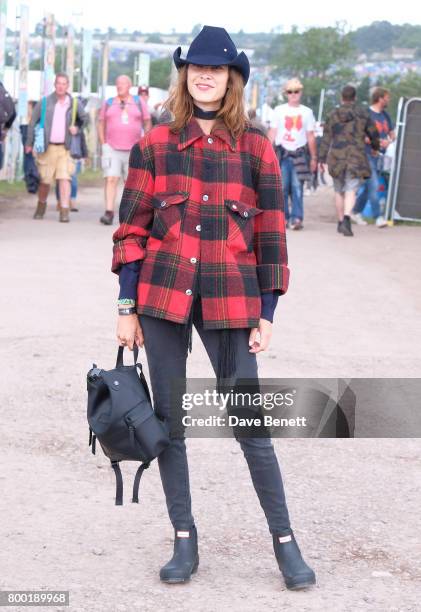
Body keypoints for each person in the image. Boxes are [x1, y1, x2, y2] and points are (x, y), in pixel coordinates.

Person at [111, 25, 316, 590]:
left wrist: (267, 312)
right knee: (171, 423)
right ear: (185, 75)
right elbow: (130, 231)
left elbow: (272, 236)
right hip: (160, 296)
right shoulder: (154, 144)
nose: (205, 76)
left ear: (233, 79)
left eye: (217, 69)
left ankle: (285, 542)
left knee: (250, 422)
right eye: (197, 67)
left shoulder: (256, 147)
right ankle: (184, 539)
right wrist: (126, 305)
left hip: (232, 298)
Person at [26, 73, 88, 223]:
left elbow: (85, 119)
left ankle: (64, 210)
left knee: (65, 178)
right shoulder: (45, 102)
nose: (61, 86)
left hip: (65, 149)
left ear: (67, 86)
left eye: (64, 84)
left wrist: (77, 128)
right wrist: (29, 143)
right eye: (58, 83)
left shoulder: (73, 103)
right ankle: (41, 205)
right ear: (55, 85)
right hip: (47, 147)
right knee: (45, 181)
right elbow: (33, 121)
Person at [318, 85, 380, 237]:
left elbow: (326, 138)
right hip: (355, 157)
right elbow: (374, 133)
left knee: (339, 190)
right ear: (355, 97)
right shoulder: (363, 114)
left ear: (342, 97)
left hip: (336, 157)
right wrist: (375, 147)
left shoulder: (333, 114)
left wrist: (321, 158)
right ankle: (346, 218)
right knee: (351, 190)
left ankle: (340, 222)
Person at [98, 75, 152, 225]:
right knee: (111, 178)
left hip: (133, 149)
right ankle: (109, 212)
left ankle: (130, 213)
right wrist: (103, 143)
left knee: (131, 182)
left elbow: (147, 122)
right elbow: (101, 123)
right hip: (112, 147)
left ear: (129, 86)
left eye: (122, 83)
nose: (119, 86)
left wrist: (145, 141)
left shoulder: (138, 102)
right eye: (117, 83)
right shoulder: (109, 103)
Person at [268, 79, 317, 230]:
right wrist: (266, 152)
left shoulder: (307, 112)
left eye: (296, 91)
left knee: (297, 187)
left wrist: (314, 157)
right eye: (290, 92)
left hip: (299, 153)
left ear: (300, 93)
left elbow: (310, 136)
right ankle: (283, 218)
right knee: (281, 187)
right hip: (282, 153)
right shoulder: (279, 110)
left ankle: (297, 218)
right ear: (286, 94)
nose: (293, 94)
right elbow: (272, 132)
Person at [351, 87, 395, 228]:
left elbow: (392, 133)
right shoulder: (367, 113)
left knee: (368, 185)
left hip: (379, 156)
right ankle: (378, 217)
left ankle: (356, 211)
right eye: (387, 97)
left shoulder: (385, 115)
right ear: (380, 98)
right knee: (375, 184)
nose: (388, 100)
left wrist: (389, 141)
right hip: (366, 154)